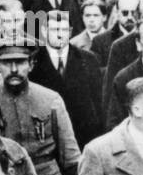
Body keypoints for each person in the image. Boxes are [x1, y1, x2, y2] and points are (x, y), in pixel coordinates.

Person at [0, 25, 81, 175]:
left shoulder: (51, 99)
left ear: (32, 64)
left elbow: (70, 157)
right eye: (6, 63)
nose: (13, 69)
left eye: (20, 62)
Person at [29, 11, 104, 148]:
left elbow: (98, 102)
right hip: (47, 138)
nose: (59, 34)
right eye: (55, 30)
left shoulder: (88, 59)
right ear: (44, 31)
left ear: (70, 32)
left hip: (83, 137)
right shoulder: (33, 62)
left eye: (64, 30)